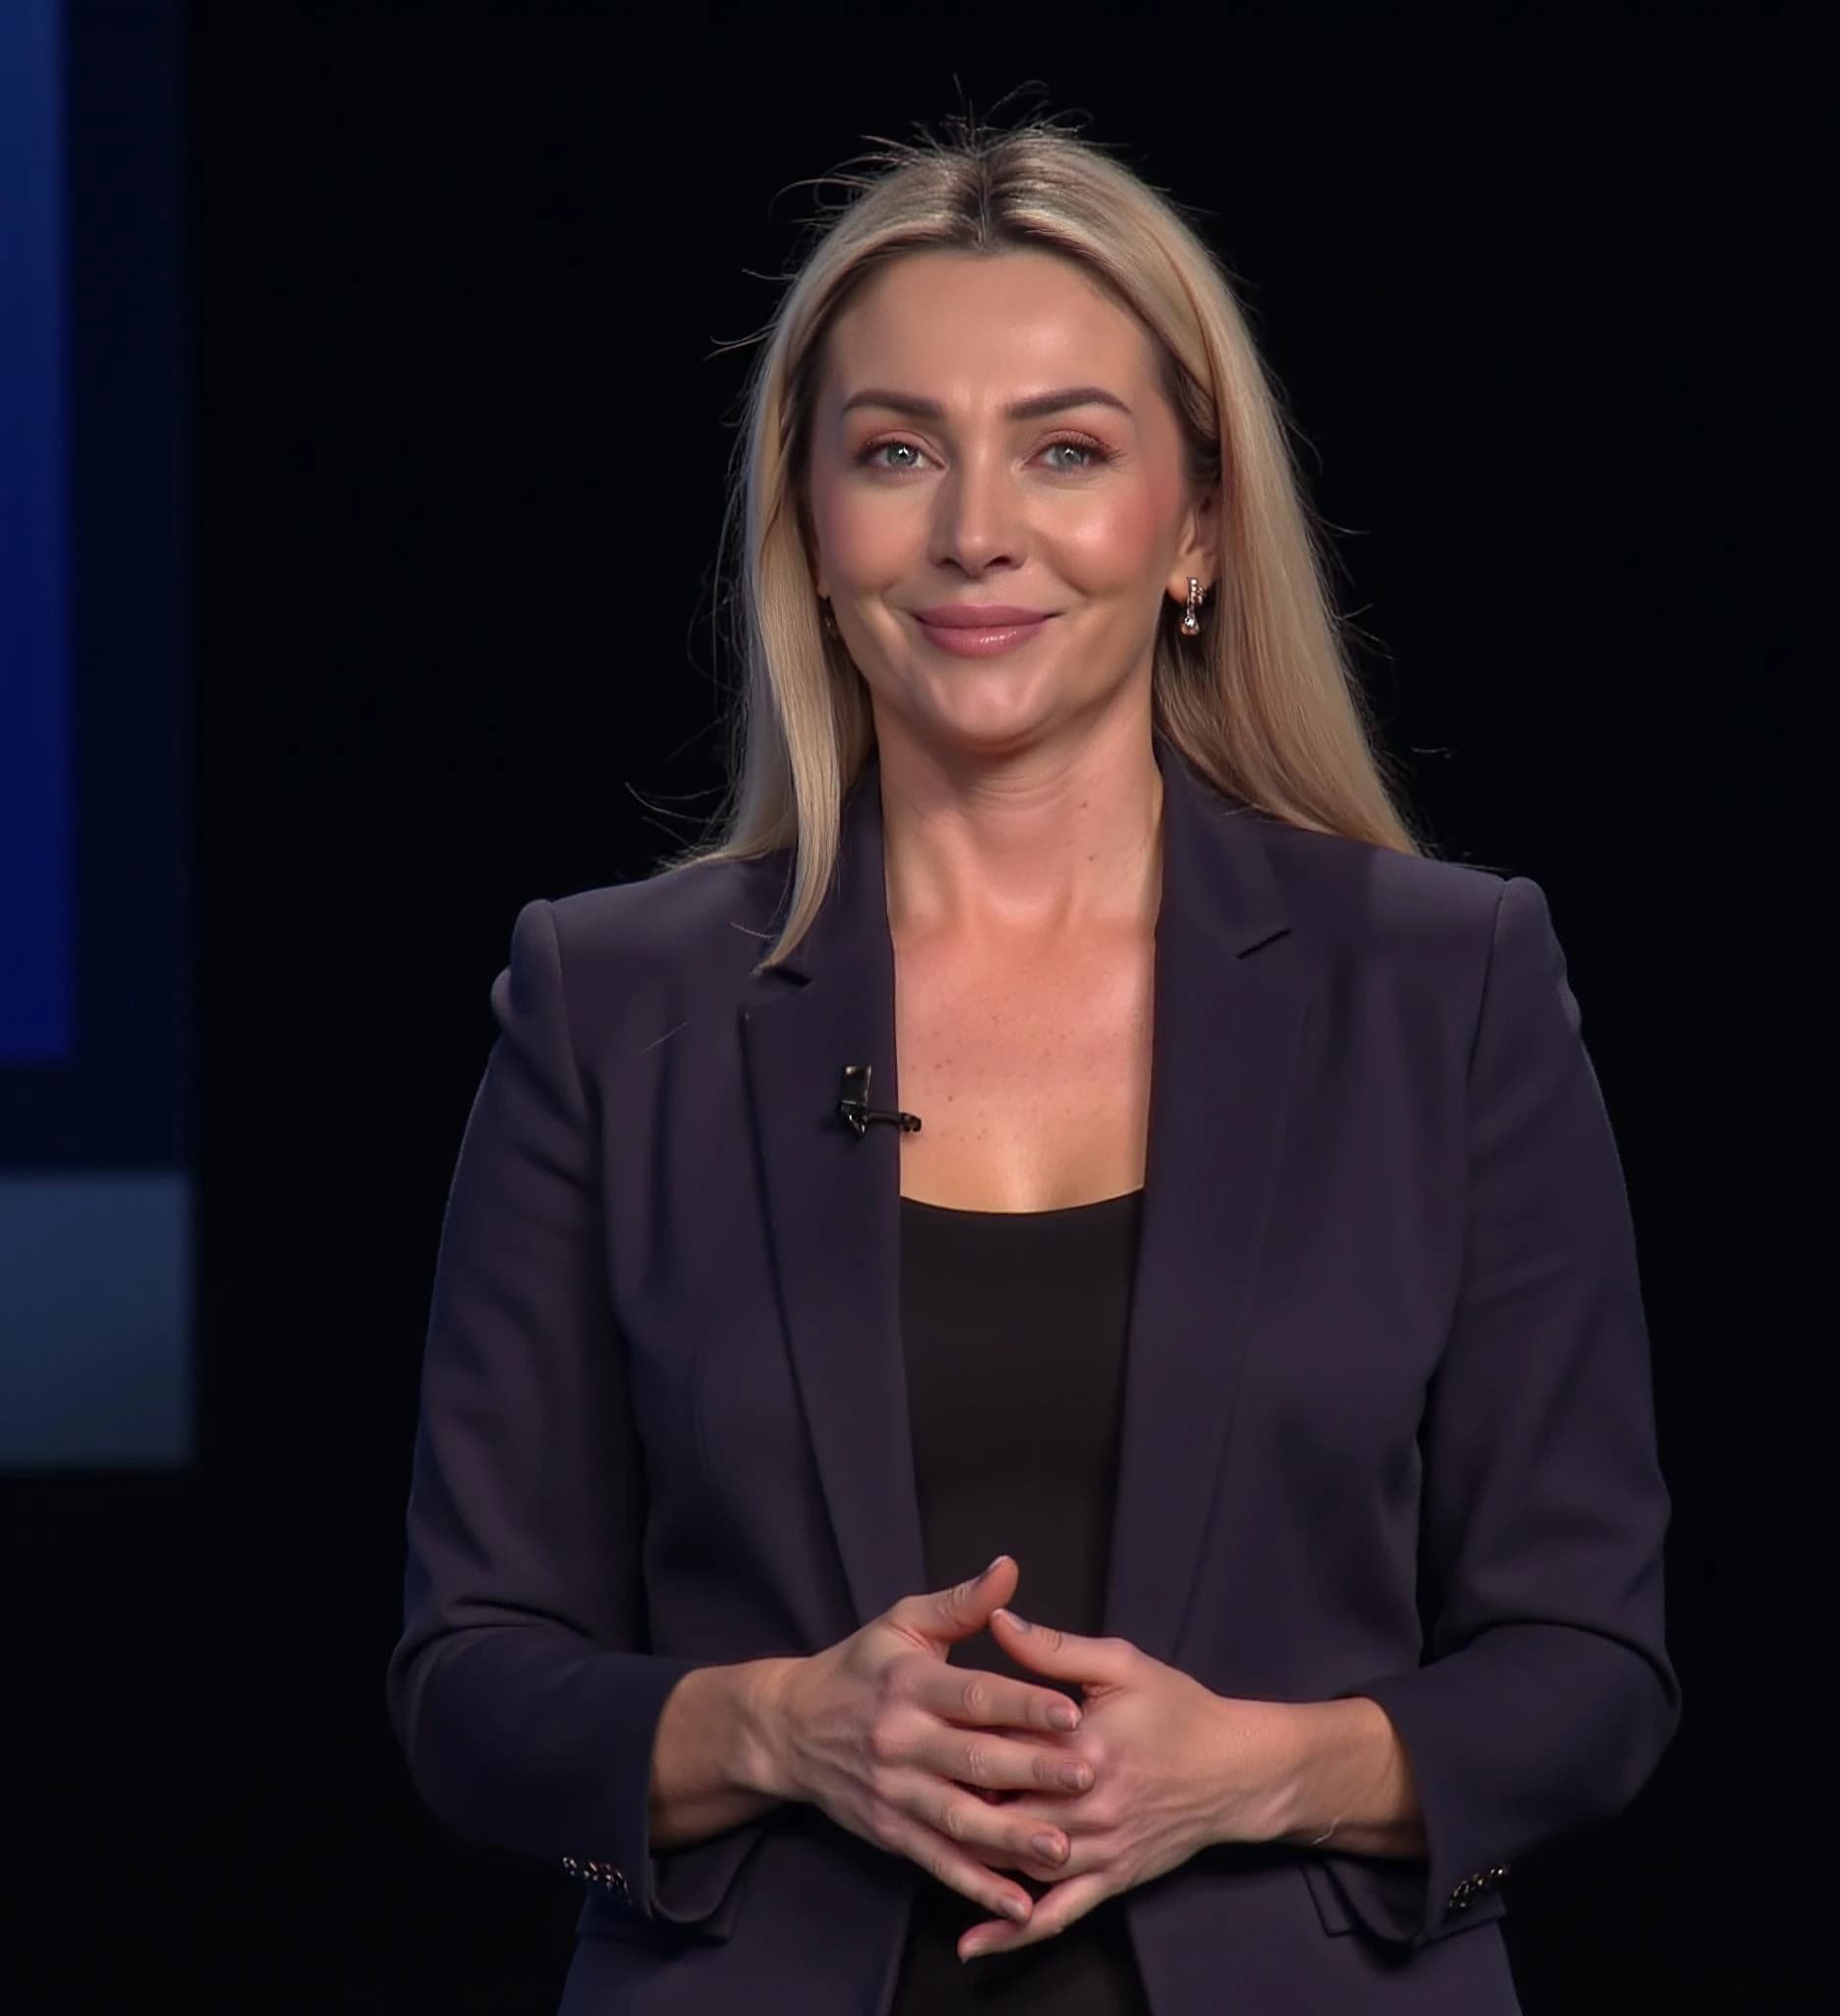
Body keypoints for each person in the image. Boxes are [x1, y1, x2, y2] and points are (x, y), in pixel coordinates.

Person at [386, 115, 1679, 2016]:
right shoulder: (610, 1004)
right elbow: (471, 1680)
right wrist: (777, 1727)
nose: (976, 527)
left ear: (1200, 530)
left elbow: (1588, 1666)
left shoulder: (1445, 985)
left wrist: (1259, 1772)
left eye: (1065, 450)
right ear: (811, 535)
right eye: (898, 453)